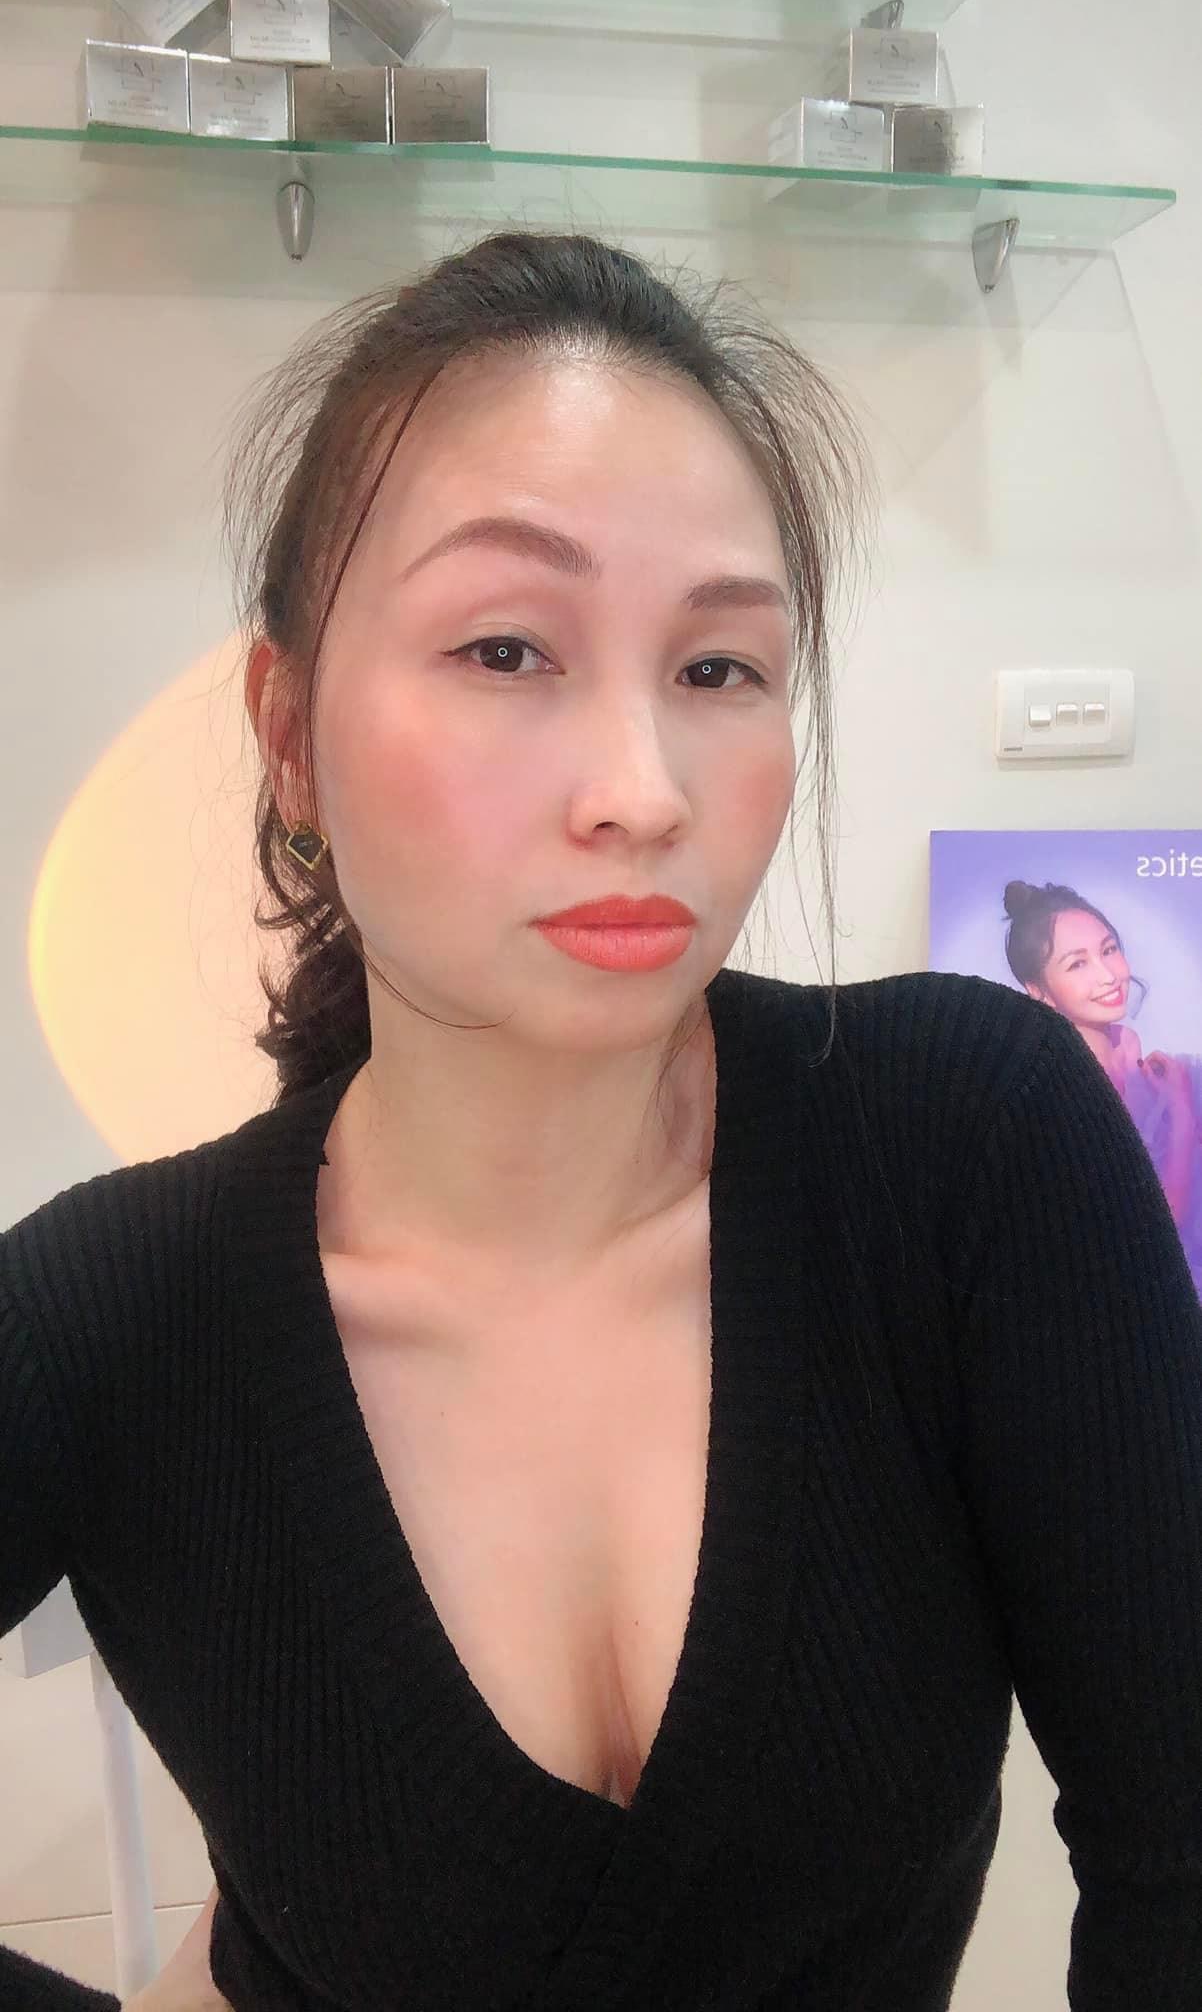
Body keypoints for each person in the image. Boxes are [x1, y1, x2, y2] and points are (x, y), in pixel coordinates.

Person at [3, 230, 1201, 2012]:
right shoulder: (108, 1315)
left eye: (718, 668)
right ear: (291, 732)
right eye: (506, 648)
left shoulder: (968, 1143)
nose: (642, 793)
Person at [1003, 876, 1202, 1293]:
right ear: (1039, 991)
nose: (1108, 975)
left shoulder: (1156, 1067)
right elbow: (1153, 1225)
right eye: (1078, 964)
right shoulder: (1058, 1095)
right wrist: (1182, 1111)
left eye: (1109, 950)